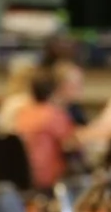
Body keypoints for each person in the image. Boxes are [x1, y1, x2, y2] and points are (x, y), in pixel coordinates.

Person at [7, 62, 80, 191]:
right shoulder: (55, 115)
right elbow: (72, 144)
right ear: (55, 91)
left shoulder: (23, 114)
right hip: (48, 179)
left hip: (23, 177)